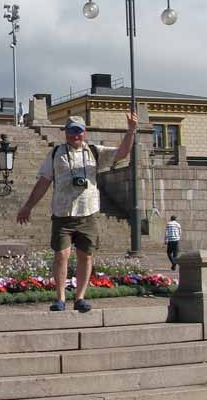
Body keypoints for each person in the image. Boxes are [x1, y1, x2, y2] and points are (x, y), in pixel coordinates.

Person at [17, 113, 138, 312]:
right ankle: (60, 298)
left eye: (79, 131)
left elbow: (122, 153)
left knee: (86, 256)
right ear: (66, 132)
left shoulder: (94, 152)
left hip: (87, 212)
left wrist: (131, 130)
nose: (75, 135)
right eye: (72, 130)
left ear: (84, 132)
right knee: (61, 255)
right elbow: (43, 182)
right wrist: (28, 206)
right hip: (62, 213)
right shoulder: (56, 153)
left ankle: (80, 297)